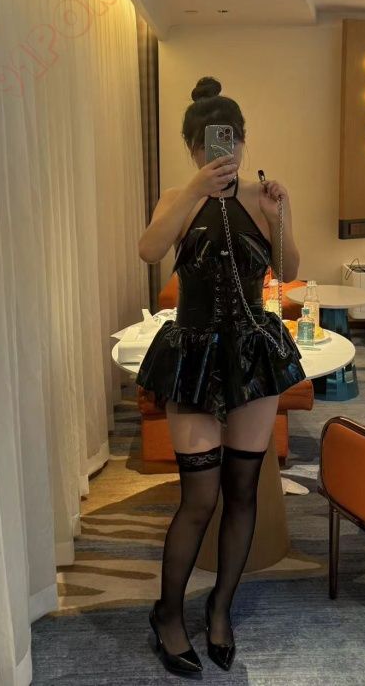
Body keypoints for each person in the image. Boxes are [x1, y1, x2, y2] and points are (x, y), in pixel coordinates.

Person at [136, 75, 306, 676]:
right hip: (193, 353)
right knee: (199, 498)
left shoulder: (263, 197)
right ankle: (167, 613)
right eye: (208, 143)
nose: (220, 151)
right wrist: (192, 191)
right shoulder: (177, 198)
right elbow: (148, 250)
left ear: (243, 140)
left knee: (242, 491)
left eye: (230, 139)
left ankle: (220, 608)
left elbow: (289, 268)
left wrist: (280, 216)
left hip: (252, 353)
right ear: (192, 148)